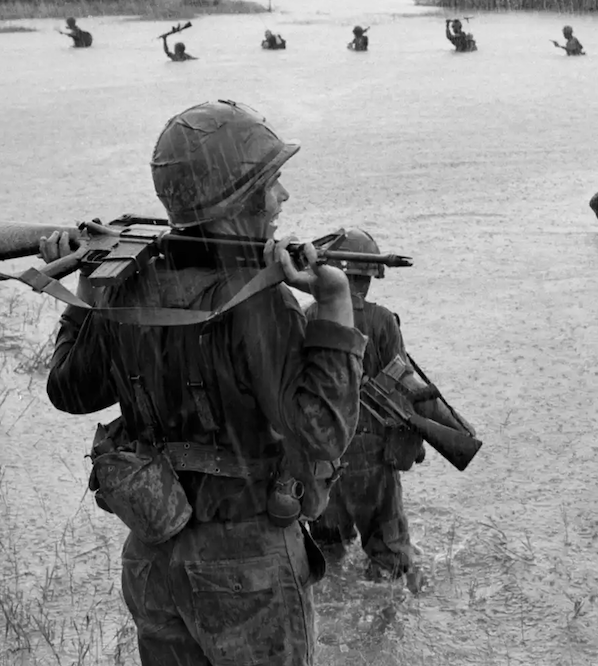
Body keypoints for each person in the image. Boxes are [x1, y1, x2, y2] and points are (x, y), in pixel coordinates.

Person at [39, 100, 365, 666]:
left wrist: (86, 294)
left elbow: (69, 391)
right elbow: (319, 435)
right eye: (273, 182)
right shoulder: (259, 299)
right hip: (246, 564)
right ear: (239, 196)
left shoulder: (124, 281)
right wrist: (335, 306)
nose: (283, 197)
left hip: (153, 555)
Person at [304, 228, 429, 592]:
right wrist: (414, 443)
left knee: (327, 556)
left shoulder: (307, 315)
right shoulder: (383, 321)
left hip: (323, 457)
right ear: (367, 278)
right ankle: (382, 633)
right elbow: (403, 387)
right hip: (373, 457)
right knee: (390, 562)